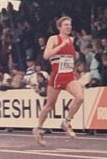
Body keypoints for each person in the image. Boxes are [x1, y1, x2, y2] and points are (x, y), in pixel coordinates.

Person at [33, 16, 84, 147]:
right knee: (50, 105)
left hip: (69, 76)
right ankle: (38, 129)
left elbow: (70, 58)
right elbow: (46, 55)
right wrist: (61, 45)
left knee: (79, 97)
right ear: (59, 27)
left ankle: (66, 122)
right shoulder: (54, 39)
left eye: (70, 25)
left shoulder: (72, 40)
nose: (69, 27)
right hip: (57, 76)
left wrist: (75, 55)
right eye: (66, 25)